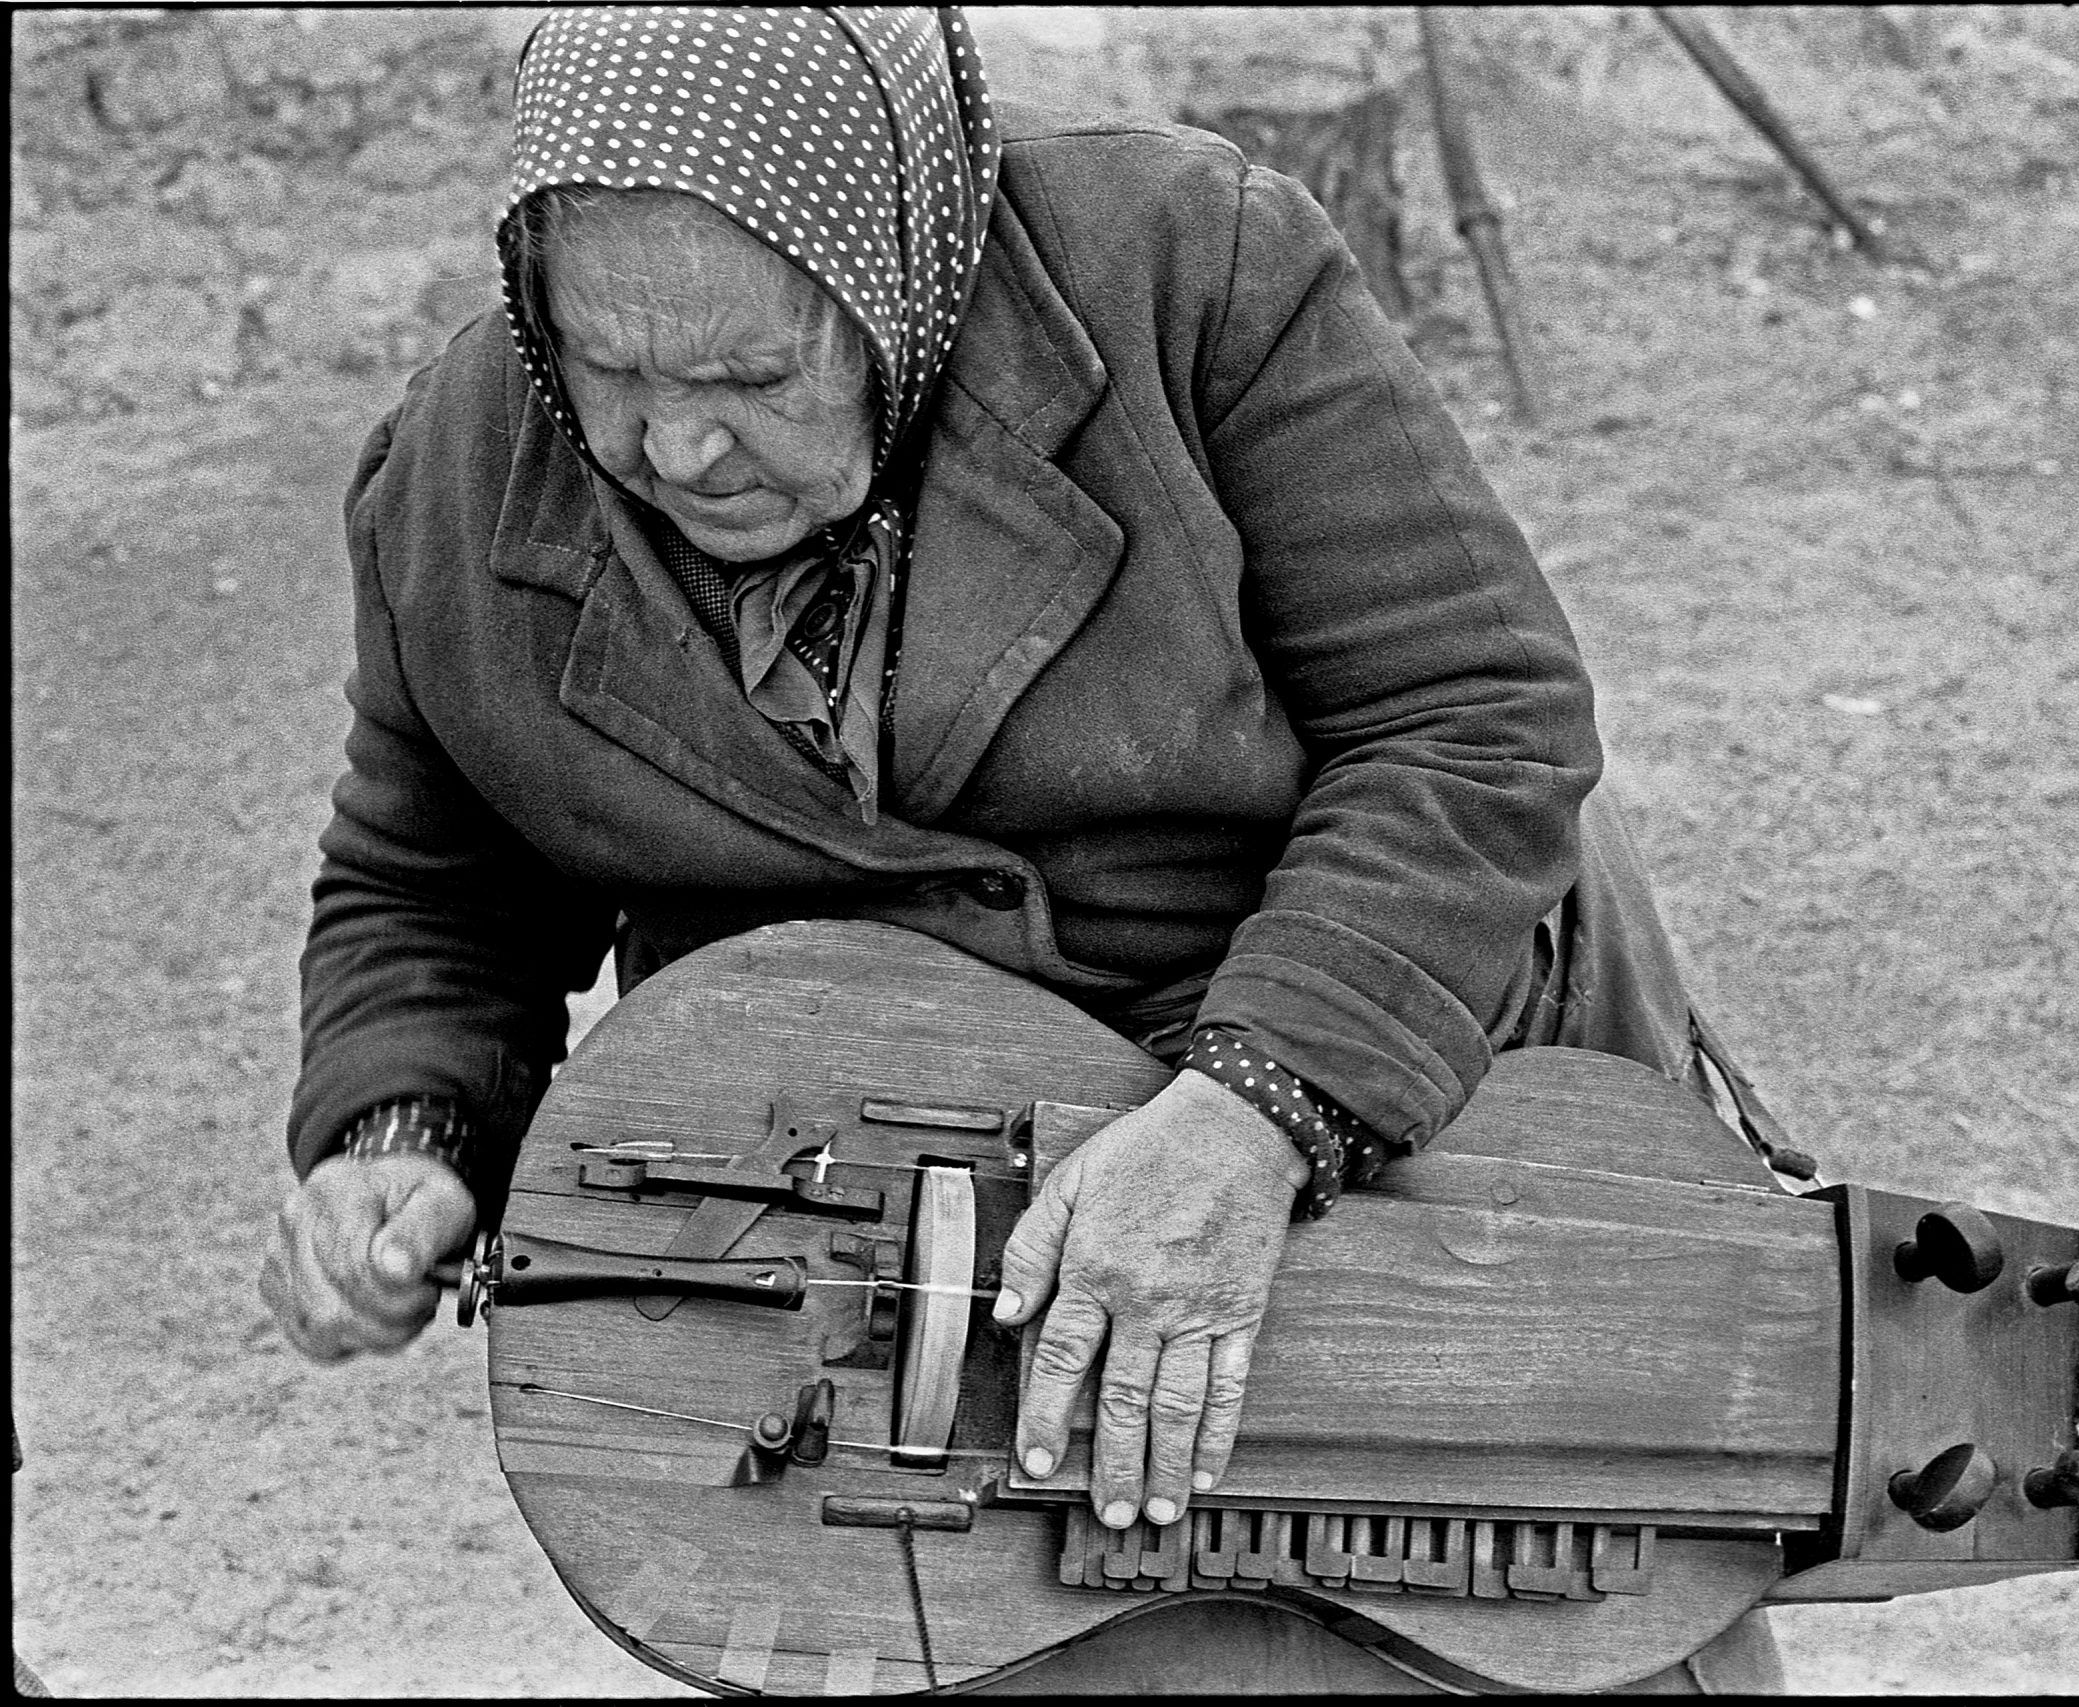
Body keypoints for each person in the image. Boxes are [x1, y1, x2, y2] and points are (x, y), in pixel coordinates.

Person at [256, 6, 1797, 1691]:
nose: (675, 448)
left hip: (1371, 1056)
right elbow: (440, 879)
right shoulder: (458, 471)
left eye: (751, 377)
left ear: (894, 268)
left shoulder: (1185, 273)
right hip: (883, 1232)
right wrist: (405, 1128)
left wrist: (1256, 1116)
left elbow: (1473, 721)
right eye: (608, 371)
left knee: (1491, 1614)